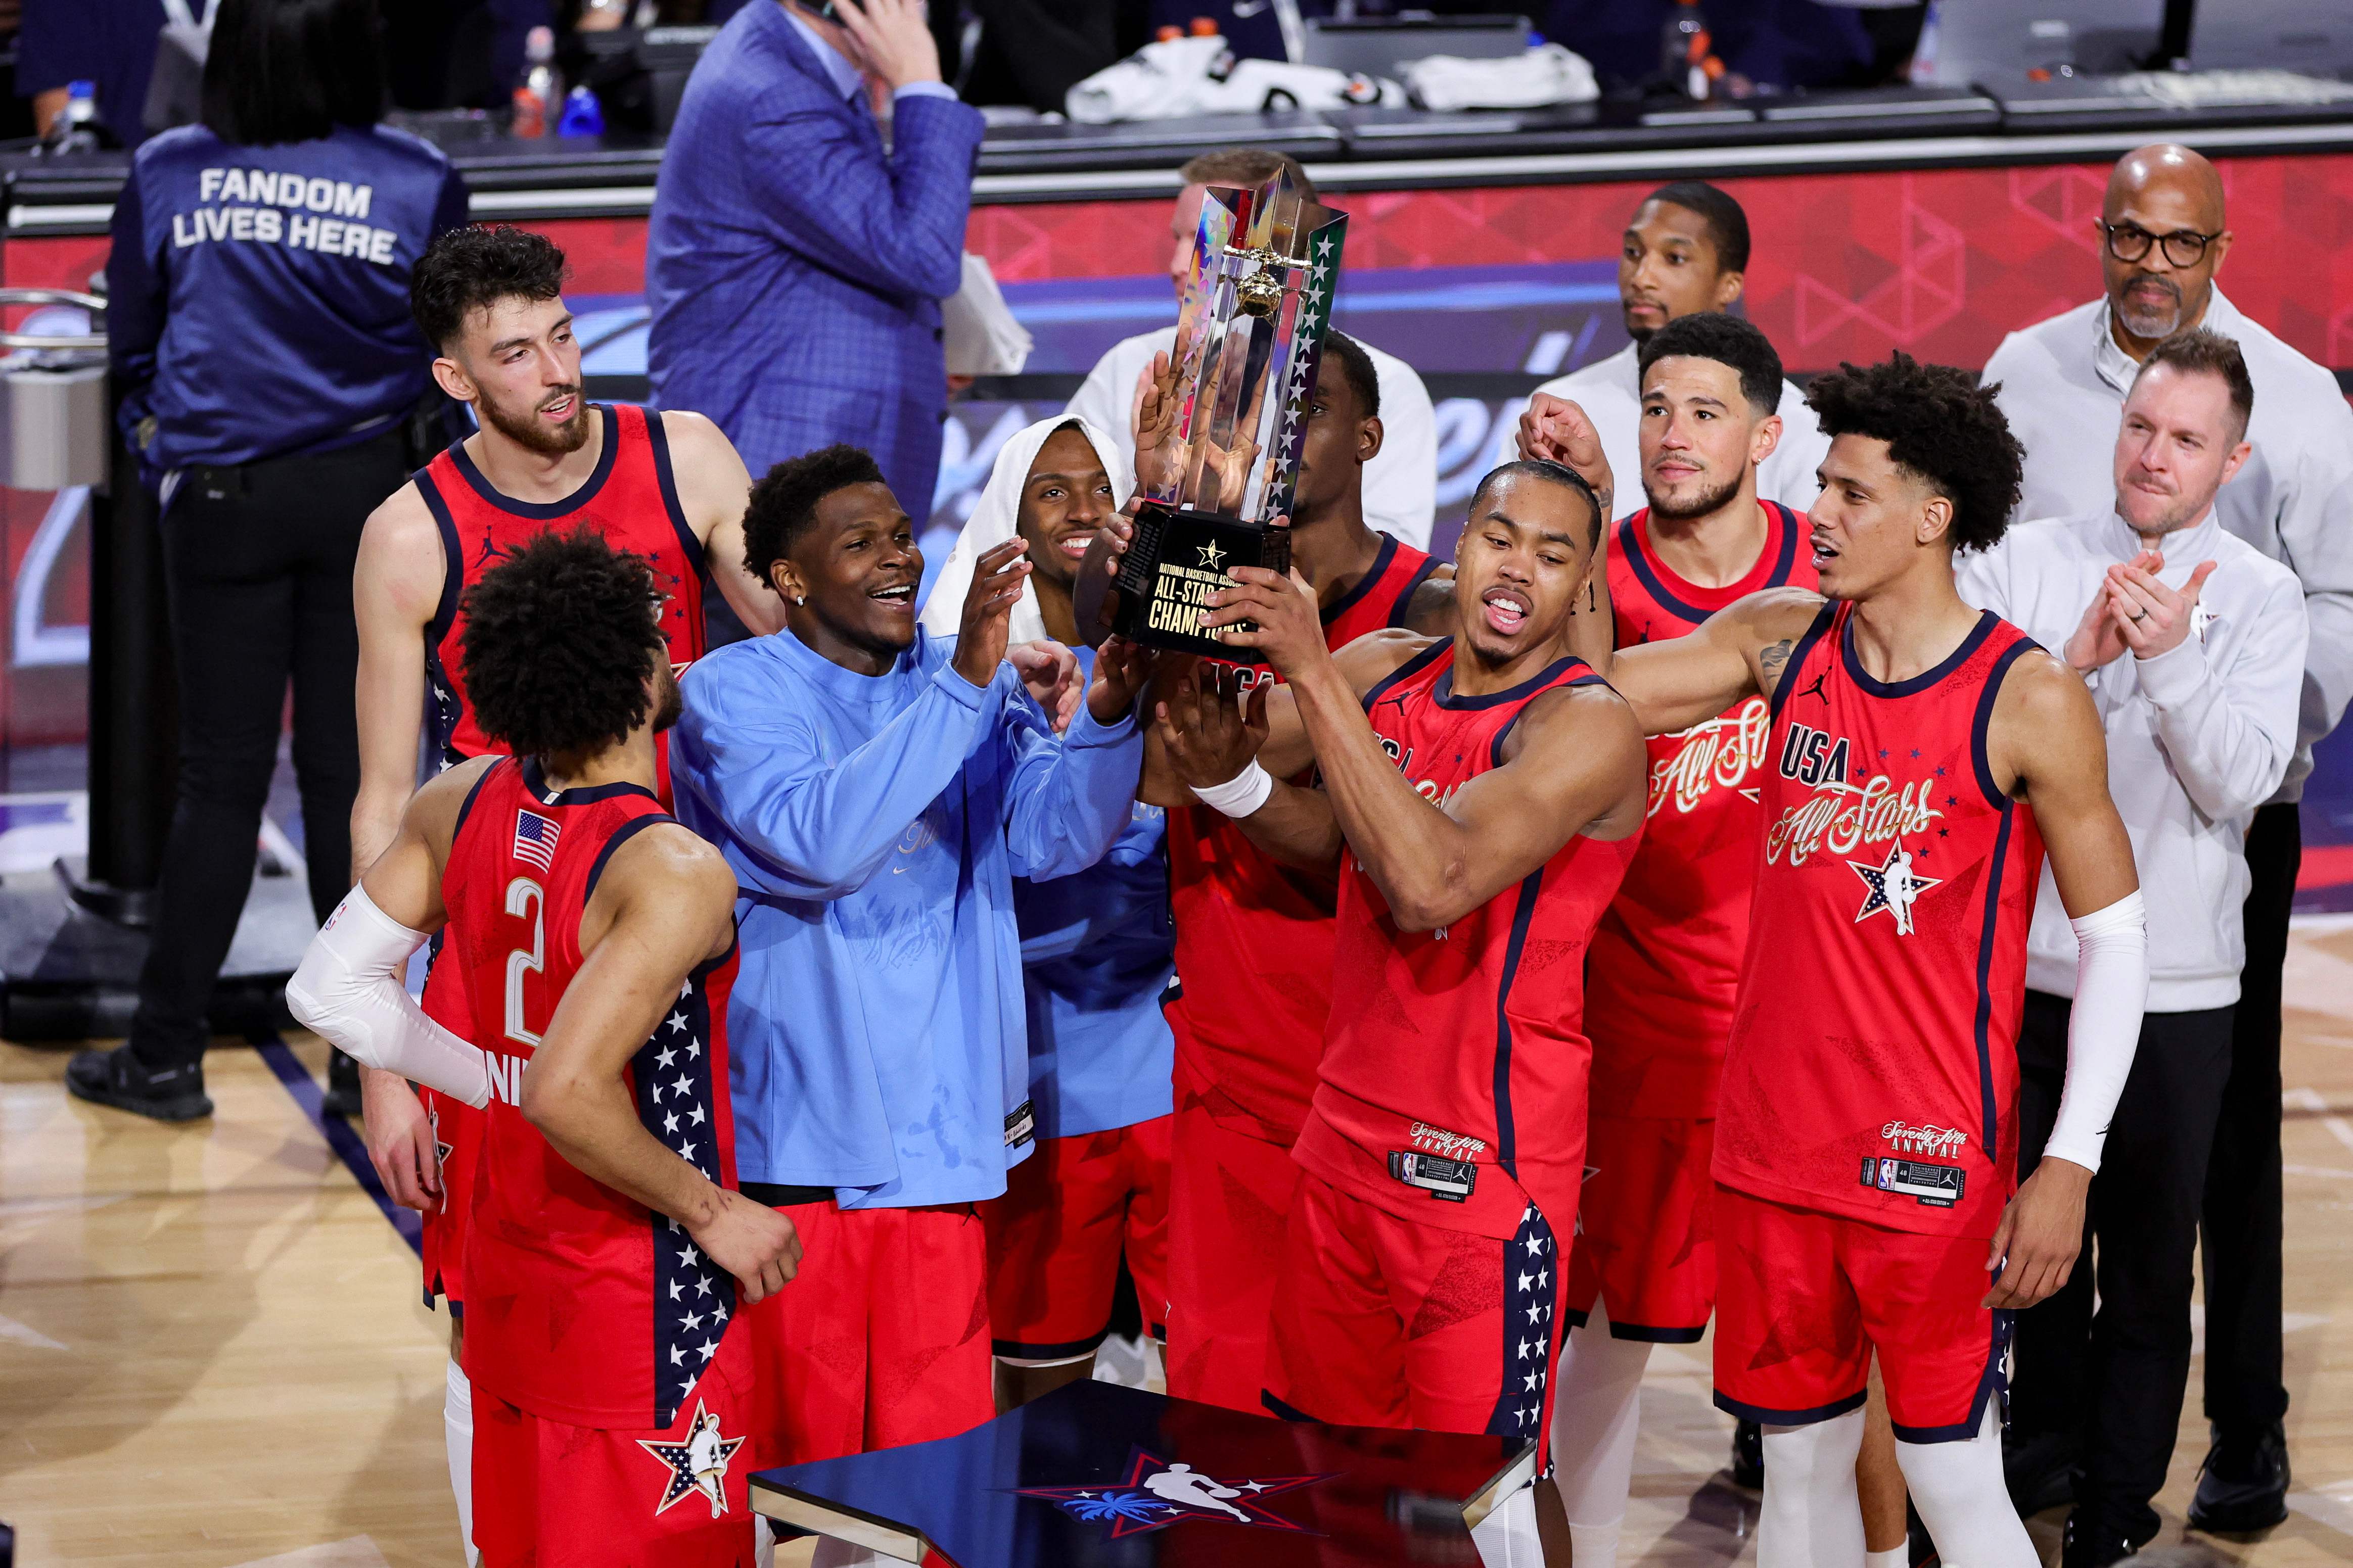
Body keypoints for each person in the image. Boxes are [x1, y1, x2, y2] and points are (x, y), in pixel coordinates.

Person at [1598, 353, 2147, 1568]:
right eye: (1823, 488)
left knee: (1953, 1477)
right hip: (1772, 1145)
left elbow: (2117, 938)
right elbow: (1592, 695)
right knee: (1794, 1474)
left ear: (1931, 516)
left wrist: (2069, 1164)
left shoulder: (2028, 696)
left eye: (1849, 494)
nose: (1821, 516)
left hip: (1928, 1162)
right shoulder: (1779, 642)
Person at [346, 220, 780, 1565]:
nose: (555, 371)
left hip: (687, 915)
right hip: (512, 932)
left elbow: (798, 650)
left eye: (564, 336)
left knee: (688, 1281)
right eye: (515, 354)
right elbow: (379, 794)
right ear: (456, 376)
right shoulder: (409, 530)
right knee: (509, 1283)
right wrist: (379, 1064)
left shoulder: (686, 454)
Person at [286, 529, 801, 1566]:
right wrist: (714, 1211)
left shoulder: (461, 796)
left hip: (511, 1272)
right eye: (661, 639)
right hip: (640, 1301)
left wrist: (484, 1076)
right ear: (630, 669)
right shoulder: (670, 869)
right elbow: (567, 1092)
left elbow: (325, 989)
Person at [1980, 142, 2353, 1529]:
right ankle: (2044, 1430)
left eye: (2177, 243)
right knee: (2034, 1160)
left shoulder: (2300, 406)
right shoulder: (2018, 370)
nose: (2149, 265)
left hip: (2210, 846)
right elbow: (1977, 593)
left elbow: (2330, 605)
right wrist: (2057, 687)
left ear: (2218, 250)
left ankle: (2236, 1432)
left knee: (2202, 1161)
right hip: (2034, 864)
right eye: (2125, 238)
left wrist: (2232, 733)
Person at [1151, 457, 1644, 1458]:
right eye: (1500, 539)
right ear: (1460, 546)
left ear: (1581, 585)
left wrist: (1310, 673)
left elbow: (1428, 884)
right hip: (1339, 1146)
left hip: (1479, 1177)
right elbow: (1184, 772)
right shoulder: (1383, 667)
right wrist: (1228, 773)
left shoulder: (1585, 726)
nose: (1516, 571)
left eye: (1551, 557)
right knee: (1328, 1484)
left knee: (1484, 1503)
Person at [670, 443, 1152, 1463]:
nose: (895, 561)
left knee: (926, 1483)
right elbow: (819, 841)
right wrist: (969, 677)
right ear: (790, 579)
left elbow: (1050, 836)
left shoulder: (958, 678)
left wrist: (1107, 715)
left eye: (900, 537)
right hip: (802, 1154)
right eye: (859, 545)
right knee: (784, 1481)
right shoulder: (730, 693)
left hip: (945, 1153)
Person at [67, 0, 468, 1124]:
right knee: (360, 779)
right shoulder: (419, 178)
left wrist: (162, 447)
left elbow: (130, 347)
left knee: (220, 779)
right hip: (371, 506)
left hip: (225, 506)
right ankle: (364, 1060)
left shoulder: (166, 170)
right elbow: (448, 355)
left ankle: (163, 1056)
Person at [1958, 330, 2305, 1567]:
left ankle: (2112, 1519)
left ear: (2236, 456)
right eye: (2142, 429)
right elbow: (1968, 759)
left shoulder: (2263, 598)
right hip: (2028, 975)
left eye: (2187, 440)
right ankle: (2032, 1474)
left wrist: (2165, 663)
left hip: (2180, 990)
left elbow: (2240, 786)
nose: (2155, 457)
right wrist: (2071, 670)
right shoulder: (2023, 560)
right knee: (2026, 1251)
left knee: (2150, 1277)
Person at [1116, 330, 1452, 1412]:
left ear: (1368, 437)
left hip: (1381, 1074)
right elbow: (1167, 779)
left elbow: (1405, 844)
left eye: (1307, 412)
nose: (1278, 435)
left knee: (1378, 1432)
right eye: (1259, 414)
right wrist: (1163, 492)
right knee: (1218, 1411)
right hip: (1227, 1061)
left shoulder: (1429, 606)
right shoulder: (1198, 584)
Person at [1540, 310, 1824, 1567]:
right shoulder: (1591, 572)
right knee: (1604, 1348)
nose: (1672, 433)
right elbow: (1554, 732)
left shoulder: (1835, 568)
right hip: (1636, 1034)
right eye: (1656, 406)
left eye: (1704, 411)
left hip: (1802, 1049)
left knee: (1817, 1369)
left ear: (1768, 434)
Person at [919, 415, 1177, 1406]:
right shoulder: (979, 689)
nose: (1078, 510)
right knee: (1034, 1396)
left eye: (1097, 487)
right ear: (1008, 522)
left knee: (1205, 1391)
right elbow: (1039, 848)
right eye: (1049, 491)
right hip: (1040, 1095)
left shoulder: (1182, 667)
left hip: (1174, 1083)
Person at [647, 0, 983, 532]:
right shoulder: (773, 94)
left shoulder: (791, 61)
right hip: (781, 469)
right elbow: (920, 252)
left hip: (811, 459)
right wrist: (921, 83)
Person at [1065, 148, 1439, 550]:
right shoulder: (1130, 366)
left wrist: (1233, 509)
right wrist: (1152, 486)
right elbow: (1069, 524)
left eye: (1205, 237)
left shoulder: (1383, 384)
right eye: (1180, 238)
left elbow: (1393, 551)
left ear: (1281, 251)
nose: (1177, 264)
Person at [1510, 180, 1829, 522]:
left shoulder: (1795, 423)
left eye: (1674, 258)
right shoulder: (1559, 411)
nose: (1642, 277)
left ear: (1729, 285)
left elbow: (1808, 564)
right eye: (1633, 253)